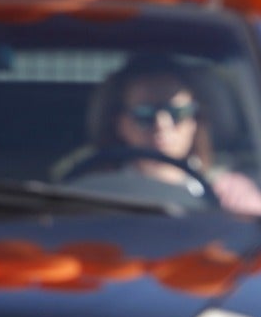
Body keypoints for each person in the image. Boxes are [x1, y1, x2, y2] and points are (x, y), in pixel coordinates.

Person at [79, 57, 261, 214]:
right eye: (145, 115)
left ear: (195, 121)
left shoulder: (228, 192)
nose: (162, 126)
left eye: (177, 113)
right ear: (120, 124)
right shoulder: (89, 193)